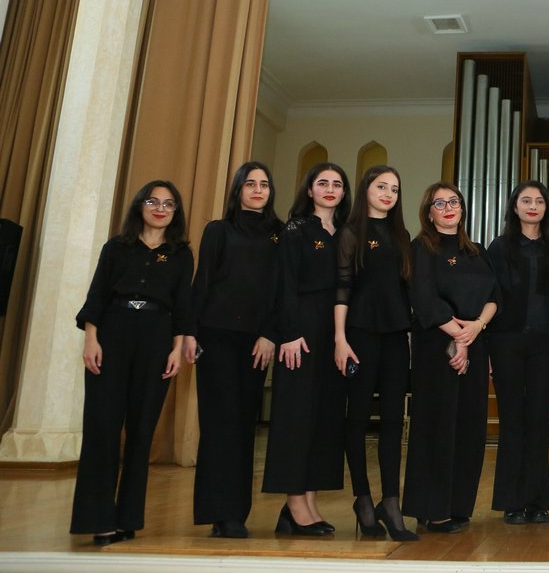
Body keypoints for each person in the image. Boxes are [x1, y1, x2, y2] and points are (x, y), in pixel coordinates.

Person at [71, 180, 192, 546]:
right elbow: (96, 296)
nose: (160, 209)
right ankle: (98, 519)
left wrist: (176, 349)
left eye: (168, 204)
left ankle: (127, 518)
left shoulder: (181, 254)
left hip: (156, 339)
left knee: (142, 432)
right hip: (113, 334)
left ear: (175, 212)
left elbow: (183, 305)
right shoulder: (116, 248)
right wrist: (91, 339)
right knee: (102, 427)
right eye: (153, 201)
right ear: (140, 205)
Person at [186, 161, 281, 538]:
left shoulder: (280, 234)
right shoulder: (218, 230)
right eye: (250, 183)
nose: (258, 190)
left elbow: (281, 290)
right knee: (218, 424)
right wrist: (189, 332)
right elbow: (202, 282)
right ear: (238, 189)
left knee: (243, 425)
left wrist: (270, 334)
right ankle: (218, 512)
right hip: (215, 336)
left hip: (256, 342)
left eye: (264, 184)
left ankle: (237, 512)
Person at [402, 182, 497, 533]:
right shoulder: (420, 248)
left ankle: (458, 505)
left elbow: (494, 296)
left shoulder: (477, 251)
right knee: (437, 425)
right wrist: (459, 336)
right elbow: (424, 298)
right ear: (429, 213)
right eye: (439, 203)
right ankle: (432, 508)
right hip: (436, 345)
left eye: (453, 201)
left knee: (469, 427)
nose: (448, 208)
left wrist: (476, 328)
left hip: (475, 342)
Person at [262, 162, 351, 536]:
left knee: (324, 418)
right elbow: (283, 283)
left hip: (335, 331)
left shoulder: (345, 232)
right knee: (296, 417)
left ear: (344, 192)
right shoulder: (296, 229)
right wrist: (290, 332)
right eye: (322, 182)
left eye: (337, 184)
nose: (330, 188)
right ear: (310, 190)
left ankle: (309, 500)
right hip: (301, 330)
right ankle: (294, 501)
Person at [333, 165, 417, 541]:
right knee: (356, 418)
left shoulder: (402, 235)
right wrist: (340, 338)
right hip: (360, 334)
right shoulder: (350, 232)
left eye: (394, 189)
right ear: (366, 188)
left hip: (396, 335)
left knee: (393, 421)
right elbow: (342, 287)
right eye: (381, 186)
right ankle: (363, 499)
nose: (388, 194)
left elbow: (405, 289)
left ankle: (391, 503)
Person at [485, 181, 549, 525]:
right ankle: (511, 502)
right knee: (512, 421)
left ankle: (537, 502)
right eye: (525, 200)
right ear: (514, 207)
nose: (532, 206)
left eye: (539, 201)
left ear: (546, 208)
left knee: (539, 421)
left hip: (547, 344)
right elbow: (490, 295)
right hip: (506, 342)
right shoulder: (499, 247)